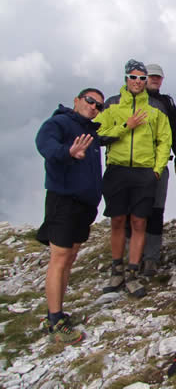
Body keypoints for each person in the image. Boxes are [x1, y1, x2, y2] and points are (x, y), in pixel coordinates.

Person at [95, 59, 172, 297]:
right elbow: (98, 133)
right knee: (118, 221)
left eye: (141, 77)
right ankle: (116, 269)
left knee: (140, 222)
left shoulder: (156, 108)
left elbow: (164, 140)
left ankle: (132, 272)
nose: (138, 81)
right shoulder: (112, 105)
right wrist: (125, 126)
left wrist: (157, 170)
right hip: (117, 169)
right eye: (133, 77)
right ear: (126, 78)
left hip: (144, 172)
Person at [35, 88, 104, 344]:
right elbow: (45, 145)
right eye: (89, 101)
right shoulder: (59, 122)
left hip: (83, 204)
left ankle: (56, 312)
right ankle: (54, 321)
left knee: (71, 256)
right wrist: (68, 153)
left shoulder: (92, 131)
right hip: (63, 200)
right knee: (60, 257)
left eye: (98, 105)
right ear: (76, 100)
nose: (93, 107)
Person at [140, 63, 176, 276]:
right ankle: (133, 256)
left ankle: (151, 258)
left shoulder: (167, 102)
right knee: (135, 211)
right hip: (135, 165)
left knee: (156, 211)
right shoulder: (130, 100)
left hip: (160, 163)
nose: (155, 80)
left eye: (158, 77)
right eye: (151, 77)